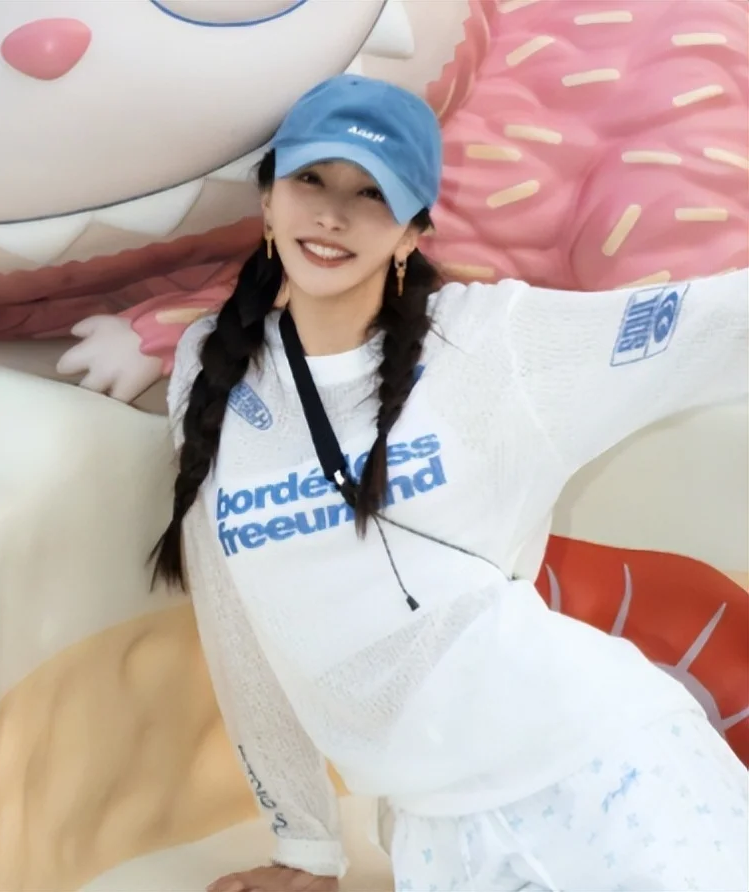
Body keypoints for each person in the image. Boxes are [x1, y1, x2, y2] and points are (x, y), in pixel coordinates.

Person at [150, 73, 749, 892]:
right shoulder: (211, 373)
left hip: (606, 769)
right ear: (267, 201)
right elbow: (238, 626)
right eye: (311, 180)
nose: (332, 215)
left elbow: (716, 325)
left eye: (372, 194)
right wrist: (305, 845)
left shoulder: (488, 343)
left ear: (410, 233)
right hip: (436, 831)